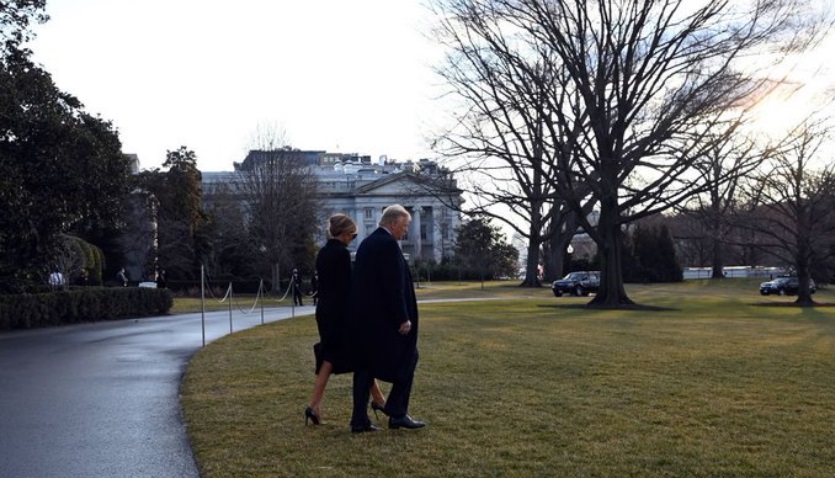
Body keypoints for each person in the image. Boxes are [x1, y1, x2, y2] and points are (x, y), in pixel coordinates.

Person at [349, 204, 425, 433]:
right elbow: (393, 286)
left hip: (365, 319)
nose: (406, 231)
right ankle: (397, 411)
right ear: (393, 223)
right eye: (405, 225)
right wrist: (402, 317)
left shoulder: (367, 244)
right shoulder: (388, 245)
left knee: (365, 367)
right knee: (410, 356)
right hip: (383, 321)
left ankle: (359, 420)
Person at [305, 214, 387, 425]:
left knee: (331, 358)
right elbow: (347, 287)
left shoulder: (323, 252)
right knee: (351, 356)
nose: (353, 238)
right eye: (352, 234)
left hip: (324, 311)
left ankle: (378, 399)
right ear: (344, 233)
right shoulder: (342, 254)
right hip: (340, 313)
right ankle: (314, 405)